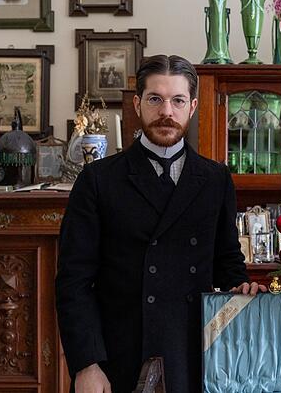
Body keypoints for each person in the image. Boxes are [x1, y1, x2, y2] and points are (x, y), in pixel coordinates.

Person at [56, 54, 265, 393]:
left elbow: (228, 264)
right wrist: (87, 364)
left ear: (192, 107)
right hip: (117, 359)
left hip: (193, 357)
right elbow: (73, 282)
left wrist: (241, 289)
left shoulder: (215, 179)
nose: (166, 111)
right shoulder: (99, 179)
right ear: (137, 103)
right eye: (155, 99)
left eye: (177, 100)